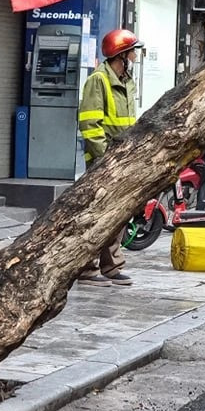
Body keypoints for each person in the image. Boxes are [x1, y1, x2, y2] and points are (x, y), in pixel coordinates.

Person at [76, 29, 144, 287]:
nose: (135, 55)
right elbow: (90, 124)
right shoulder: (99, 80)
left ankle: (112, 266)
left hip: (121, 158)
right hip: (102, 161)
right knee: (96, 215)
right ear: (121, 54)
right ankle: (86, 268)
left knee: (116, 215)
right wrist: (104, 159)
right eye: (132, 51)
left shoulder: (126, 81)